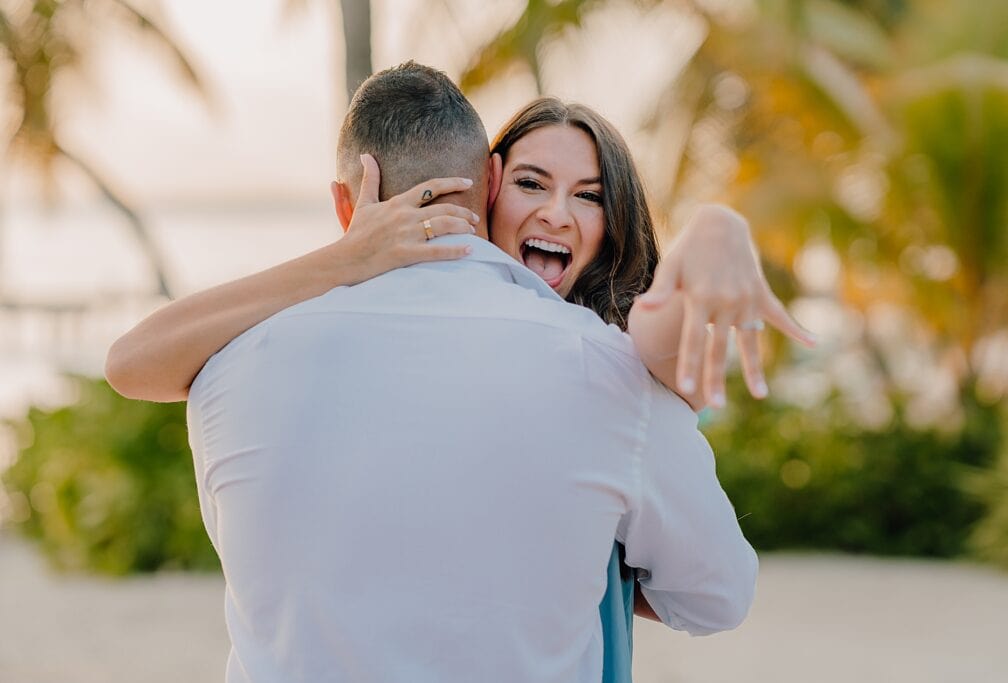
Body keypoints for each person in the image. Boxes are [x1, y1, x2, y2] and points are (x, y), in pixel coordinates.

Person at [106, 63, 808, 681]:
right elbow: (716, 596)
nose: (556, 213)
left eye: (588, 195)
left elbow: (133, 363)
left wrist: (717, 228)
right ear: (493, 183)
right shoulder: (608, 374)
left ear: (345, 203)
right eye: (533, 181)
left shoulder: (229, 361)